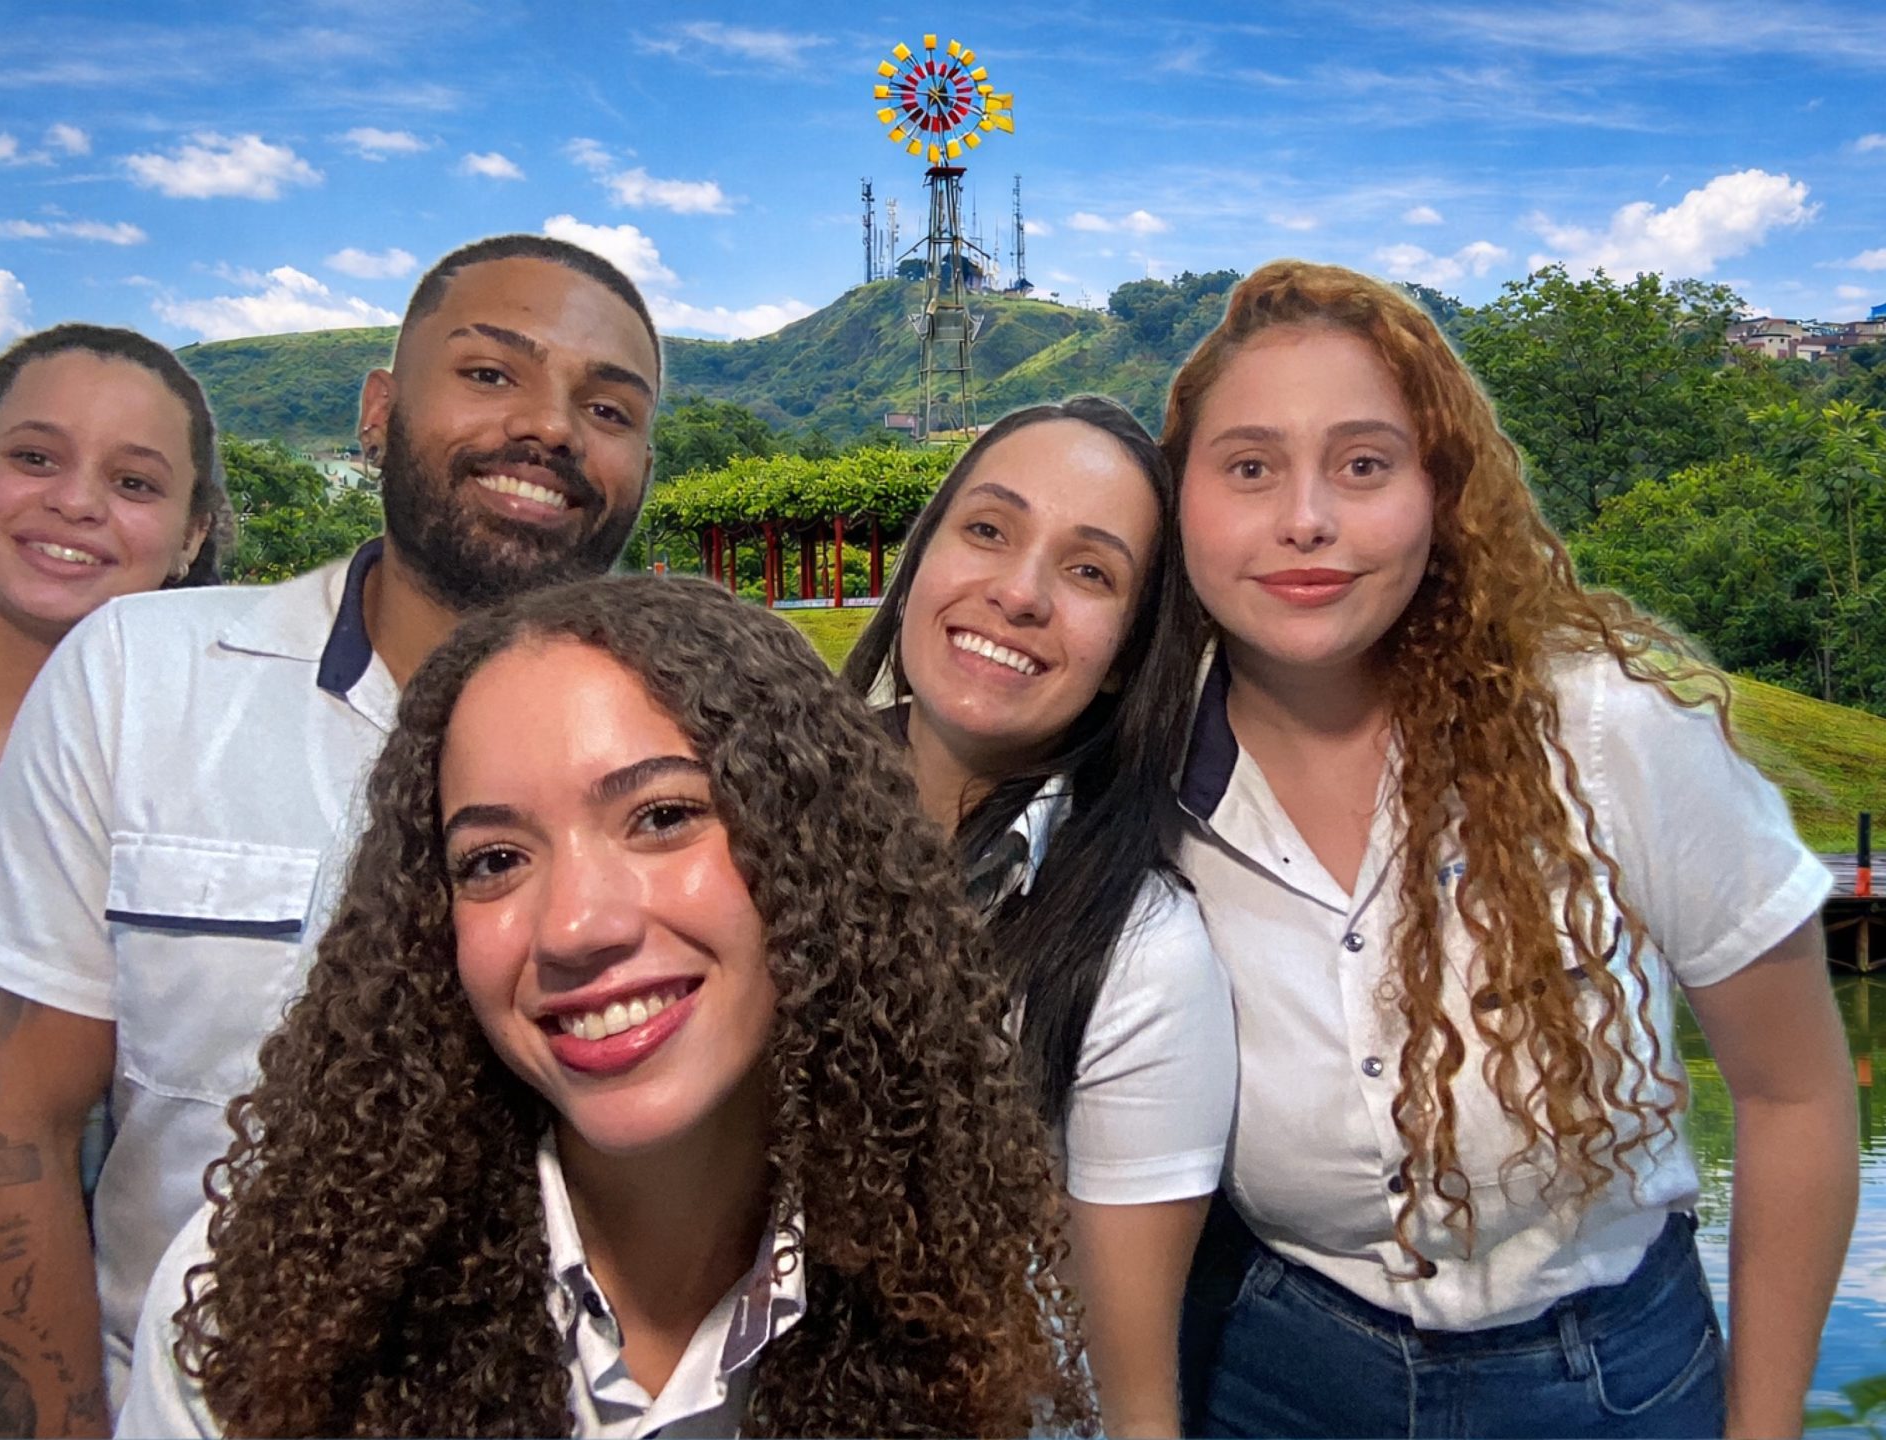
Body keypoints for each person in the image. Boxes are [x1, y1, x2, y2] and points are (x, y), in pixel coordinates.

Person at [115, 575, 1095, 1439]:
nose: (576, 925)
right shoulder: (263, 1311)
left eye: (662, 817)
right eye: (494, 861)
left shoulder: (972, 1307)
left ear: (820, 858)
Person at [0, 233, 664, 1436]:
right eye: (489, 373)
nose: (549, 428)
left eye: (607, 408)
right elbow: (4, 1119)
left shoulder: (693, 748)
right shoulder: (139, 683)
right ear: (378, 413)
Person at [1164, 260, 1858, 1439]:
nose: (1306, 518)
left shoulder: (1608, 731)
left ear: (1440, 492)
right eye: (1249, 467)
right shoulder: (1135, 783)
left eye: (1364, 464)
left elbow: (1792, 1091)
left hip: (1609, 1379)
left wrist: (1764, 1423)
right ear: (1178, 499)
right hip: (1269, 1369)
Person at [842, 396, 1237, 1438]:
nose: (1019, 593)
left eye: (1090, 572)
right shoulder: (735, 819)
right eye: (988, 529)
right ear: (918, 561)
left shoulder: (1138, 956)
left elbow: (1130, 1398)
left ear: (1126, 658)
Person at [0, 323, 230, 791]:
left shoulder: (236, 758)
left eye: (133, 483)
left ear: (191, 537)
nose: (75, 503)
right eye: (34, 458)